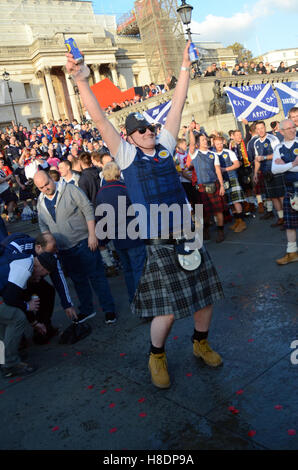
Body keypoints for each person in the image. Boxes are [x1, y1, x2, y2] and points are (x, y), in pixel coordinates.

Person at [66, 41, 224, 389]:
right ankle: (157, 355)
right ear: (130, 137)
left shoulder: (165, 147)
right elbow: (99, 118)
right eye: (142, 130)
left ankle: (200, 343)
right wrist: (80, 81)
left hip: (189, 230)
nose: (150, 132)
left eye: (151, 128)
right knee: (166, 309)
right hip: (160, 238)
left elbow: (178, 103)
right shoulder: (124, 156)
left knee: (205, 297)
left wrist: (184, 67)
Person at [33, 171, 117, 325]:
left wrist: (93, 234)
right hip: (63, 250)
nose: (45, 188)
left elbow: (88, 209)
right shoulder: (41, 201)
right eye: (41, 187)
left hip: (84, 242)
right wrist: (49, 244)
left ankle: (109, 309)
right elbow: (43, 225)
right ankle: (87, 309)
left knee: (97, 277)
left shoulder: (70, 190)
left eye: (47, 184)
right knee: (78, 281)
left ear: (52, 178)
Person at [0, 249, 58, 378]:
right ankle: (10, 364)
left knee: (4, 319)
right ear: (41, 266)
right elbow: (10, 298)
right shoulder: (24, 268)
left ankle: (3, 358)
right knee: (17, 317)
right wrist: (27, 305)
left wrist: (35, 322)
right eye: (44, 273)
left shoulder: (26, 259)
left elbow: (19, 294)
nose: (40, 278)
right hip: (4, 295)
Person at [95, 161, 146, 303]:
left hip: (117, 238)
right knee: (138, 270)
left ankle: (134, 300)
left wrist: (102, 241)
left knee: (128, 271)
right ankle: (143, 302)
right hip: (133, 236)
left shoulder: (101, 193)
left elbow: (100, 218)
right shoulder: (125, 188)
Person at [188, 130, 226, 243]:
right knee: (203, 212)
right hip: (202, 187)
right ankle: (206, 230)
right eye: (203, 139)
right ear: (198, 143)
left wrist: (222, 185)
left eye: (206, 139)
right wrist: (190, 131)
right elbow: (191, 143)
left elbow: (218, 170)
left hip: (214, 184)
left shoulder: (213, 154)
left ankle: (220, 232)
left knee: (218, 210)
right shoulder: (194, 153)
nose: (206, 141)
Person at [271, 119, 298, 264]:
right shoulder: (278, 148)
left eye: (293, 127)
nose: (293, 130)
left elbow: (280, 168)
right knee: (290, 224)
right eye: (289, 128)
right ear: (281, 132)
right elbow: (274, 170)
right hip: (290, 189)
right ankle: (292, 253)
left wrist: (285, 165)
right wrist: (293, 163)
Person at [254, 121, 285, 227]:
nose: (260, 130)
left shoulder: (273, 138)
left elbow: (278, 153)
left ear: (265, 127)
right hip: (265, 172)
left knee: (281, 196)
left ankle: (287, 217)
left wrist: (265, 157)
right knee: (273, 197)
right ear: (256, 130)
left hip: (276, 170)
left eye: (262, 128)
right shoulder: (256, 142)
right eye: (258, 129)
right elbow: (257, 159)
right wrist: (255, 174)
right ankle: (281, 218)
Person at [213, 136, 246, 233]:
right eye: (217, 144)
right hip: (222, 181)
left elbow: (237, 164)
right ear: (214, 145)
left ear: (223, 143)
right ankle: (237, 221)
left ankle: (242, 223)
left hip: (232, 178)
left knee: (236, 201)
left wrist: (225, 169)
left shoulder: (229, 152)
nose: (219, 145)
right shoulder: (213, 155)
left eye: (220, 143)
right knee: (230, 203)